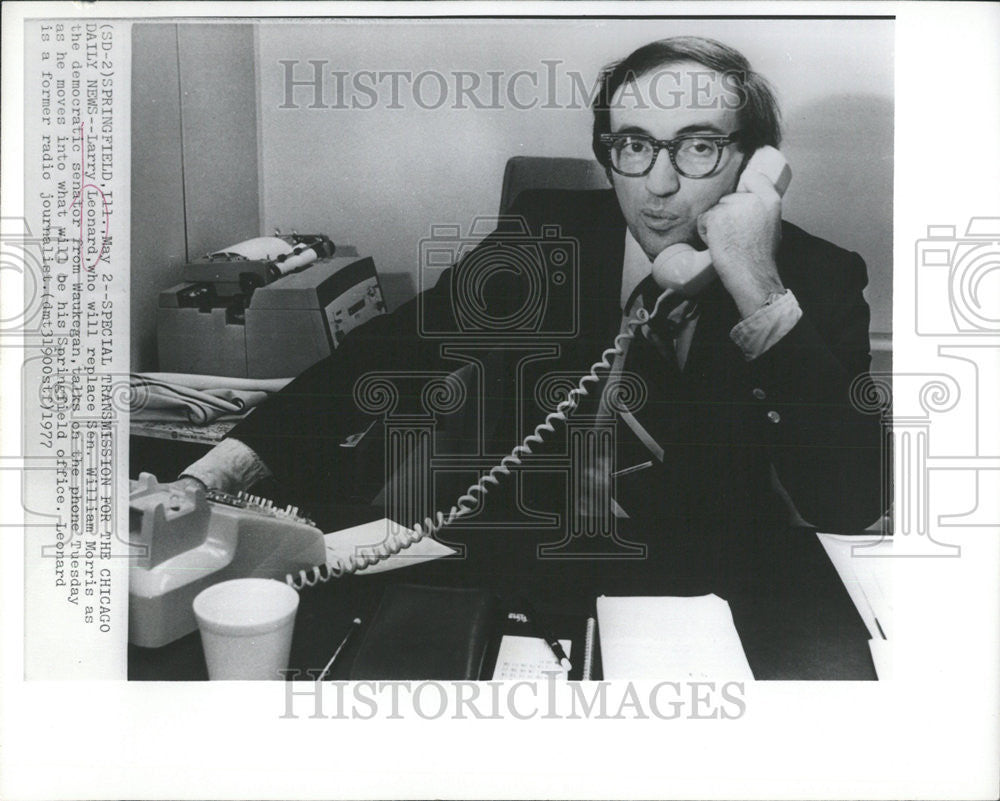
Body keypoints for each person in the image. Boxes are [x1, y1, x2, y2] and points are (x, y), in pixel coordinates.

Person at [171, 36, 886, 539]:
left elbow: (849, 503)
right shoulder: (546, 238)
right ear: (608, 155)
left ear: (756, 163)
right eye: (634, 145)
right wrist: (209, 478)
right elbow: (384, 356)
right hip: (530, 556)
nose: (660, 185)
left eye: (698, 146)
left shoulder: (818, 279)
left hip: (717, 578)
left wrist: (760, 294)